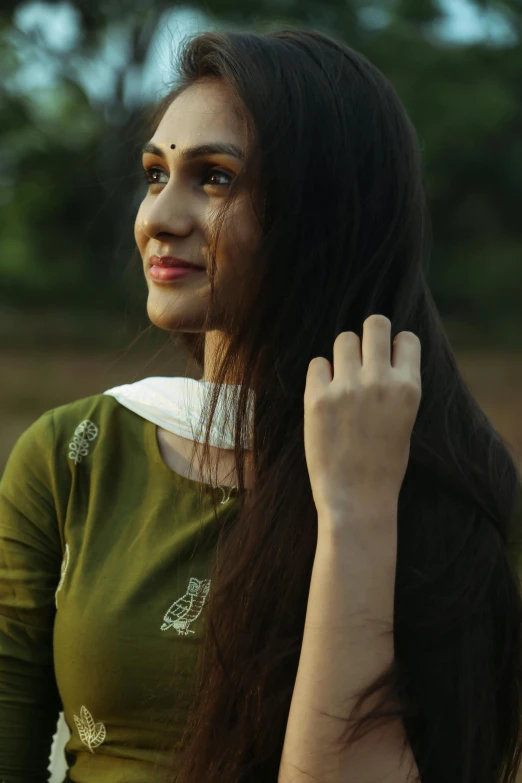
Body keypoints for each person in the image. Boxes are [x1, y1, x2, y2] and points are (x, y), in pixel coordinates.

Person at [1, 25, 522, 783]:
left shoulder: (454, 493)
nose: (158, 219)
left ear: (325, 212)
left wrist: (357, 512)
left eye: (213, 178)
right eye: (155, 174)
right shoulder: (73, 455)